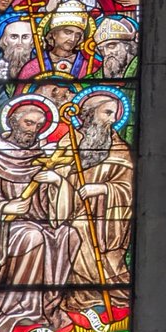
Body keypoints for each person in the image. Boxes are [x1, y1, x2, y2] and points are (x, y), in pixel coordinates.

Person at [0, 99, 80, 332]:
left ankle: (47, 305)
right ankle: (17, 308)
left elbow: (55, 215)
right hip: (4, 226)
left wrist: (57, 183)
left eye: (38, 125)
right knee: (31, 236)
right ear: (13, 120)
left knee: (70, 235)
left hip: (38, 222)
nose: (32, 129)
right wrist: (5, 207)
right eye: (28, 122)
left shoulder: (41, 157)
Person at [53, 91, 135, 310]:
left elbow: (127, 188)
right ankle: (80, 296)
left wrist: (102, 189)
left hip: (107, 218)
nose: (113, 119)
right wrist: (63, 179)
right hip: (70, 211)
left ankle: (101, 293)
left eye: (115, 115)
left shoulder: (120, 149)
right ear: (90, 114)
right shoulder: (70, 141)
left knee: (80, 228)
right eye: (107, 113)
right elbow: (55, 173)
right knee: (74, 228)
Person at [18, 0, 90, 79]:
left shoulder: (87, 66)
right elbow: (22, 90)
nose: (73, 39)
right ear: (54, 33)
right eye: (68, 32)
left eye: (78, 35)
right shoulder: (33, 67)